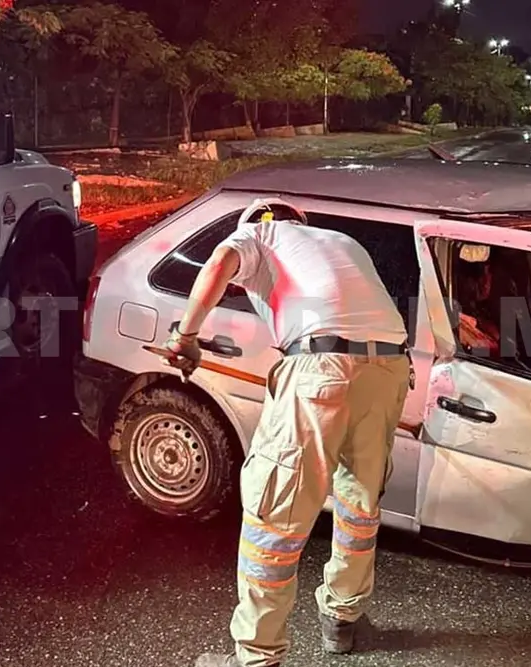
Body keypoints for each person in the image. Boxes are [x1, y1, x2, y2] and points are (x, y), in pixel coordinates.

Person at [163, 201, 413, 667]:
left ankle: (256, 656)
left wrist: (185, 336)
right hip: (390, 367)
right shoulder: (341, 241)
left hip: (323, 369)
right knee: (359, 503)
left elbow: (219, 263)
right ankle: (343, 617)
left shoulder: (259, 236)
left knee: (273, 518)